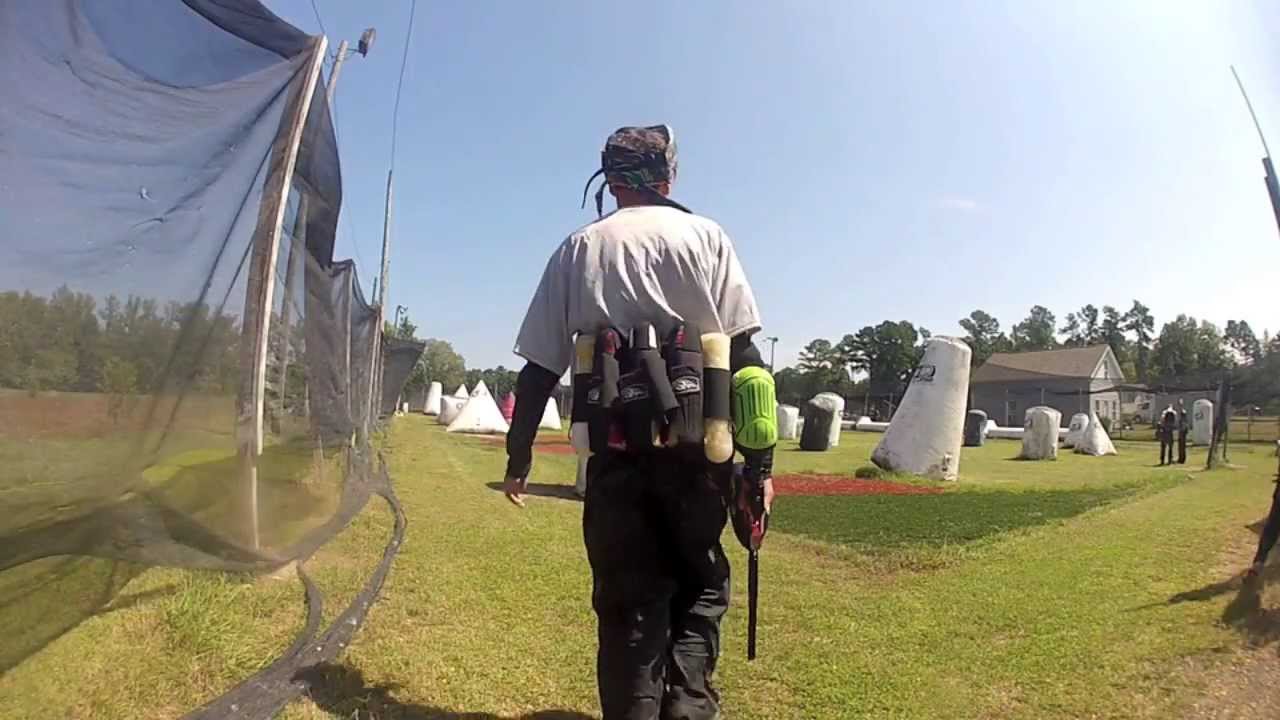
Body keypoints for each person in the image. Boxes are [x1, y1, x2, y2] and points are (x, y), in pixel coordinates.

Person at [502, 125, 775, 720]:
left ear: (609, 179)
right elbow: (749, 366)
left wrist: (518, 460)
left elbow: (538, 372)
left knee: (629, 604)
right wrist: (759, 469)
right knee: (699, 589)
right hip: (699, 456)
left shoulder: (578, 248)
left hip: (614, 455)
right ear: (667, 177)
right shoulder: (706, 236)